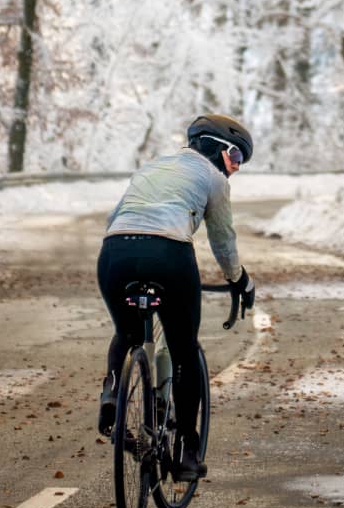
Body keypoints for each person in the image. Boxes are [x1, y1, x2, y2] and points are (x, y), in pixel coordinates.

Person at [96, 114, 255, 482]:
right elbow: (222, 239)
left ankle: (112, 393)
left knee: (126, 333)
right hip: (168, 255)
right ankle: (185, 450)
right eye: (236, 157)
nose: (236, 167)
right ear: (217, 149)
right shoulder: (214, 178)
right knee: (184, 351)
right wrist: (239, 280)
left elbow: (113, 217)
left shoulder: (153, 166)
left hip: (115, 252)